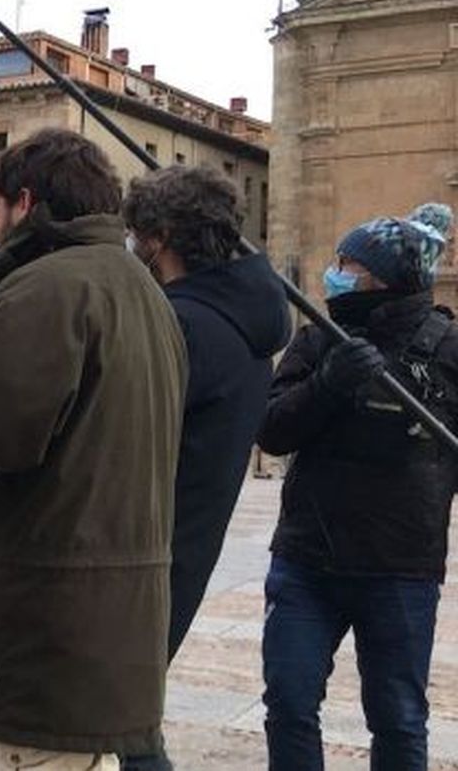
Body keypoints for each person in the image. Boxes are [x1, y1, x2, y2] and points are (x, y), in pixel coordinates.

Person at [0, 129, 187, 770]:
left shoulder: (49, 287)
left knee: (36, 757)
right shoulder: (141, 288)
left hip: (49, 606)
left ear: (25, 202)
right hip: (106, 600)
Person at [258, 203, 458, 771]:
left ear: (381, 278)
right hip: (307, 560)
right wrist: (327, 384)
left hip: (401, 569)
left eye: (347, 264)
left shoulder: (448, 349)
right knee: (289, 703)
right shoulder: (319, 339)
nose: (335, 273)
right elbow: (271, 430)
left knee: (399, 719)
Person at [118, 166, 292, 771]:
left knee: (118, 727)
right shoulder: (243, 322)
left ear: (160, 237)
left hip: (133, 559)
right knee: (129, 722)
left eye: (137, 233)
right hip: (182, 552)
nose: (132, 245)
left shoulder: (178, 325)